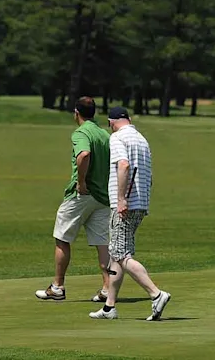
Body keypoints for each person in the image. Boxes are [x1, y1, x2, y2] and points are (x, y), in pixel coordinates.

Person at [89, 107, 172, 321]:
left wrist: (121, 199)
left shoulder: (117, 138)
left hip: (125, 204)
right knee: (117, 253)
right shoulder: (142, 139)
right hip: (140, 202)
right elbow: (149, 176)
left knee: (121, 255)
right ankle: (109, 307)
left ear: (111, 122)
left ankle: (156, 294)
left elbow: (123, 165)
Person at [35, 96, 113, 303]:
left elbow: (84, 154)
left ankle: (57, 286)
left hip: (82, 195)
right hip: (102, 197)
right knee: (102, 243)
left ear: (76, 113)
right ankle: (108, 288)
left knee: (62, 238)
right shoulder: (104, 134)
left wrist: (81, 182)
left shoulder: (81, 132)